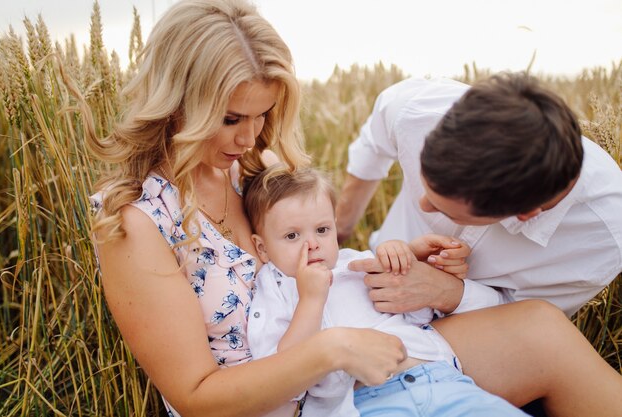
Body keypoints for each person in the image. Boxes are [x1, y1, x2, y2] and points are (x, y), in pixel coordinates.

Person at [80, 1, 622, 416]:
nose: (250, 137)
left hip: (352, 354)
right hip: (283, 403)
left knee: (541, 330)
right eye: (229, 119)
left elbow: (318, 262)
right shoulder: (136, 220)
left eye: (263, 114)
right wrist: (332, 351)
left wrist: (400, 264)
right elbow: (197, 399)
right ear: (177, 101)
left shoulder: (253, 167)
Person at [244, 165, 529, 417]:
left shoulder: (354, 264)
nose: (313, 244)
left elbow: (418, 314)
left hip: (438, 377)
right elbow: (285, 374)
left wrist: (405, 262)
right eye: (292, 236)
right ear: (262, 248)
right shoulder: (273, 290)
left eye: (322, 230)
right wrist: (311, 299)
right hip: (364, 402)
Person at [336, 73, 622, 318]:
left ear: (525, 213)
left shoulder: (604, 235)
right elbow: (373, 143)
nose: (421, 204)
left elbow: (527, 321)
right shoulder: (420, 110)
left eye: (443, 210)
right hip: (367, 269)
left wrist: (449, 293)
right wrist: (340, 229)